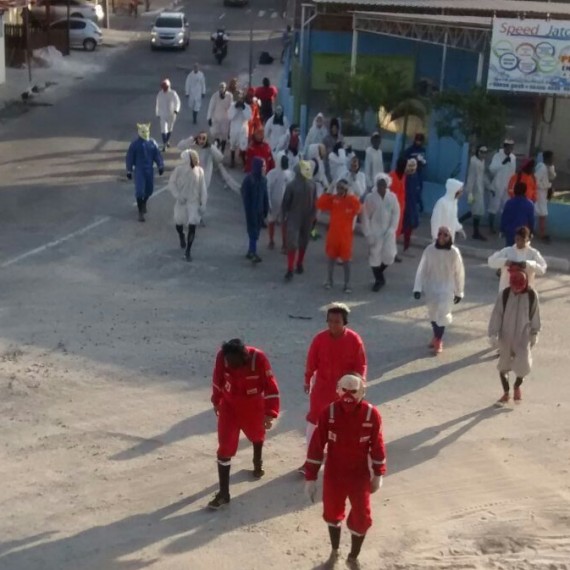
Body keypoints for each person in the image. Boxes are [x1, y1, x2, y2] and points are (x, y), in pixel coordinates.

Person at [304, 374, 386, 570]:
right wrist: (311, 477)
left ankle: (353, 557)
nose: (348, 395)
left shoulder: (371, 415)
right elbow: (316, 446)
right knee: (332, 513)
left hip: (359, 475)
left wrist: (378, 473)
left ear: (363, 392)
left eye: (354, 390)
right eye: (344, 390)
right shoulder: (328, 413)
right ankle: (335, 551)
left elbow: (377, 446)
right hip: (334, 474)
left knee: (362, 517)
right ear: (338, 390)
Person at [209, 338, 280, 510]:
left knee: (257, 435)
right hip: (229, 406)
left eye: (235, 363)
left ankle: (257, 460)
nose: (231, 366)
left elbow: (271, 387)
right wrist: (216, 401)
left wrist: (270, 414)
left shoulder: (259, 359)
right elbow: (217, 379)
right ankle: (224, 493)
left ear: (245, 357)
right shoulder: (222, 357)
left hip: (253, 405)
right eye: (228, 362)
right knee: (224, 447)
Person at [302, 304, 367, 454]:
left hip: (345, 389)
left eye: (337, 321)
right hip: (322, 388)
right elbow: (311, 362)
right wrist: (308, 379)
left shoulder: (354, 340)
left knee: (345, 422)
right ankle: (310, 458)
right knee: (314, 421)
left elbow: (361, 364)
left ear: (344, 322)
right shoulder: (319, 339)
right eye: (330, 321)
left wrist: (361, 384)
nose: (332, 324)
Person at [488, 269, 541, 405]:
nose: (516, 290)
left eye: (519, 287)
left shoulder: (531, 295)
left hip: (523, 336)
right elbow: (497, 315)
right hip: (506, 335)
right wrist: (493, 334)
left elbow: (535, 315)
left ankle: (517, 386)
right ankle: (506, 393)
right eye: (514, 287)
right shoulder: (504, 295)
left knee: (523, 365)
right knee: (503, 366)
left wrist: (535, 333)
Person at [413, 225, 465, 354]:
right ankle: (436, 336)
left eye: (445, 235)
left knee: (443, 314)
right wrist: (417, 287)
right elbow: (422, 269)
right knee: (433, 313)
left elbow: (459, 272)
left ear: (450, 237)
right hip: (431, 287)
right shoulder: (430, 250)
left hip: (447, 288)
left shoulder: (454, 252)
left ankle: (438, 340)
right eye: (440, 234)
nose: (442, 237)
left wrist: (459, 291)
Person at [317, 179, 361, 293]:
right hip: (333, 235)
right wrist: (328, 192)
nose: (339, 190)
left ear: (346, 189)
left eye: (342, 188)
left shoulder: (351, 200)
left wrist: (351, 196)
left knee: (346, 262)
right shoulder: (334, 199)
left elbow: (358, 209)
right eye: (338, 188)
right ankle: (329, 280)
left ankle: (347, 284)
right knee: (331, 259)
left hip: (345, 237)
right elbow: (320, 204)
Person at [361, 173, 400, 292]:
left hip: (388, 232)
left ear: (387, 185)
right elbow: (365, 216)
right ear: (376, 185)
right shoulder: (370, 198)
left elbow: (396, 213)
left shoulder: (392, 197)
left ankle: (379, 271)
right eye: (379, 184)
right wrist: (368, 233)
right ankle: (379, 279)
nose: (381, 187)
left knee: (390, 255)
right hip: (375, 231)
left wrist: (392, 228)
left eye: (383, 184)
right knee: (374, 256)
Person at [168, 149, 207, 261]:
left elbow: (203, 189)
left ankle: (188, 251)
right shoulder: (179, 170)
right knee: (178, 222)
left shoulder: (200, 171)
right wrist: (177, 195)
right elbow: (171, 183)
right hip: (182, 201)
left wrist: (203, 204)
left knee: (192, 225)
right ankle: (181, 235)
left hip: (193, 202)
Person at [282, 161, 317, 281]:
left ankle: (295, 266)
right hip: (299, 217)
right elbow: (285, 204)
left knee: (298, 242)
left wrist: (283, 217)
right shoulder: (308, 185)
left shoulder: (296, 185)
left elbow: (285, 204)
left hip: (299, 217)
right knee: (298, 242)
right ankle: (294, 267)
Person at [487, 226, 547, 292]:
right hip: (507, 290)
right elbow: (491, 261)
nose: (520, 243)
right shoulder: (507, 251)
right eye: (518, 239)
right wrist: (505, 262)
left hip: (526, 292)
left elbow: (542, 269)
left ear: (527, 239)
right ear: (515, 238)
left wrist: (529, 264)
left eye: (522, 240)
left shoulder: (533, 253)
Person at [126, 123, 164, 222]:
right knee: (139, 191)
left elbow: (157, 155)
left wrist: (160, 165)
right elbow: (129, 158)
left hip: (149, 170)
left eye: (147, 131)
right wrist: (129, 170)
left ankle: (144, 202)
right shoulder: (134, 145)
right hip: (139, 170)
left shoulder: (152, 143)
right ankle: (140, 212)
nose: (146, 134)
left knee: (149, 190)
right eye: (144, 132)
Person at [177, 131, 223, 196]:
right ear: (197, 138)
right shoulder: (193, 146)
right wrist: (190, 140)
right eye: (199, 138)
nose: (201, 140)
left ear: (206, 140)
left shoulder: (209, 149)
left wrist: (212, 148)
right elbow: (179, 146)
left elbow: (220, 158)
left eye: (204, 138)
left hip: (204, 178)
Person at [241, 157, 268, 263]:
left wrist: (265, 209)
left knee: (256, 232)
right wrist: (249, 209)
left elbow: (265, 196)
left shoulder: (263, 180)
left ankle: (251, 250)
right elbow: (245, 195)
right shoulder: (249, 180)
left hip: (260, 211)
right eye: (263, 166)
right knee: (253, 231)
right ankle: (253, 252)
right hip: (251, 211)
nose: (264, 168)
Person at [488, 139, 516, 233]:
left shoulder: (513, 158)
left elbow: (513, 173)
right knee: (494, 207)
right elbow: (492, 169)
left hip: (508, 187)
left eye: (512, 148)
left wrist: (513, 186)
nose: (510, 150)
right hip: (497, 186)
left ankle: (503, 227)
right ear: (505, 147)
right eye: (508, 147)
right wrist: (502, 163)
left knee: (506, 208)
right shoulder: (497, 156)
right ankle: (491, 227)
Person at [267, 152, 293, 251]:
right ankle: (271, 240)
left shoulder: (289, 173)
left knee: (284, 223)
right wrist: (268, 202)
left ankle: (284, 244)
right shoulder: (271, 174)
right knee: (272, 221)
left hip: (285, 202)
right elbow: (268, 189)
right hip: (274, 202)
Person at [462, 145, 488, 240]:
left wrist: (489, 186)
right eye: (482, 152)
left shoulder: (482, 162)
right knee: (476, 211)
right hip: (474, 190)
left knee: (477, 211)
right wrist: (470, 192)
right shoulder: (474, 162)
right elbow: (471, 177)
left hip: (480, 189)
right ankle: (475, 232)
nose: (484, 154)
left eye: (485, 152)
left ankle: (460, 223)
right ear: (478, 152)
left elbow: (482, 176)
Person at [500, 181, 535, 247]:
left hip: (509, 231)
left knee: (509, 250)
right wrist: (531, 232)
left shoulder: (509, 202)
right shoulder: (529, 204)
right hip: (522, 233)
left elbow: (504, 217)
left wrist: (502, 230)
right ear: (525, 191)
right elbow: (531, 220)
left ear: (514, 190)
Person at [534, 150, 556, 242]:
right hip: (539, 192)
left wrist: (550, 168)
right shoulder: (541, 167)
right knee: (541, 213)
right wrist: (547, 186)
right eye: (552, 158)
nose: (553, 160)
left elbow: (552, 177)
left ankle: (540, 233)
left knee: (542, 213)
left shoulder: (549, 167)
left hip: (544, 193)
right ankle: (540, 234)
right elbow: (536, 181)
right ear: (547, 158)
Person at [207, 82, 233, 153]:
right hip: (216, 117)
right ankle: (217, 146)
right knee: (215, 133)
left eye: (223, 88)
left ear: (225, 89)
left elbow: (231, 107)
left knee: (224, 134)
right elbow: (211, 107)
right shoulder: (215, 96)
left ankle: (222, 150)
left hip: (225, 118)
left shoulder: (229, 96)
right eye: (220, 88)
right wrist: (209, 118)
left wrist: (232, 118)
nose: (222, 89)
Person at [155, 79, 181, 151]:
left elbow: (177, 102)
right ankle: (165, 144)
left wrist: (176, 110)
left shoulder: (173, 93)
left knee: (169, 128)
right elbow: (157, 104)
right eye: (163, 87)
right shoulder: (160, 94)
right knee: (163, 129)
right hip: (163, 114)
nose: (164, 88)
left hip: (171, 114)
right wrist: (157, 113)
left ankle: (166, 141)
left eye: (165, 87)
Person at [404, 133, 427, 212]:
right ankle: (413, 206)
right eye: (417, 140)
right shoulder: (410, 150)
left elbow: (425, 162)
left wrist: (423, 161)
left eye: (420, 141)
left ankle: (418, 205)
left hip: (419, 173)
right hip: (411, 174)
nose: (418, 142)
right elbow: (404, 160)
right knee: (411, 190)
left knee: (418, 190)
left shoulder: (423, 150)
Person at [228, 94, 252, 169]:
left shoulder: (247, 107)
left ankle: (244, 162)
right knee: (233, 145)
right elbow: (230, 117)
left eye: (241, 99)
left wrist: (244, 108)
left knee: (243, 146)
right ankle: (232, 161)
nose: (240, 100)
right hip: (234, 129)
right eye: (239, 99)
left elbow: (249, 117)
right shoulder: (232, 106)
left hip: (243, 130)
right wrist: (235, 108)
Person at [402, 158, 420, 252]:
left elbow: (417, 191)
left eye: (413, 166)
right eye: (410, 166)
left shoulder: (416, 176)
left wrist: (419, 202)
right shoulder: (404, 177)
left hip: (412, 205)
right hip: (404, 204)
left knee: (410, 226)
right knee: (402, 226)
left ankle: (406, 246)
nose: (412, 168)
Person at [389, 157, 407, 248]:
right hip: (390, 209)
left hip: (400, 208)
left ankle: (392, 251)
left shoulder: (404, 177)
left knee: (397, 230)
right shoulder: (391, 177)